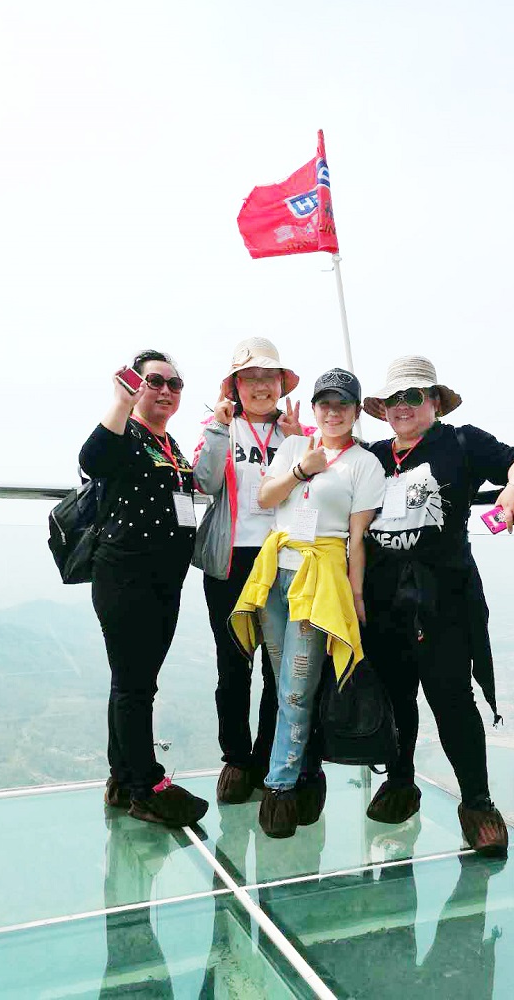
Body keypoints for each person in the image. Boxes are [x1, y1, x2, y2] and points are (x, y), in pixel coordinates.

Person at [361, 355, 514, 855]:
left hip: (444, 599)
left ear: (434, 402)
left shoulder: (460, 443)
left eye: (412, 396)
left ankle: (477, 803)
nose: (402, 406)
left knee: (452, 698)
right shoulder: (372, 456)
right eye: (393, 399)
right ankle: (400, 782)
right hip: (383, 600)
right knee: (395, 697)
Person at [230, 369, 386, 839]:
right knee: (286, 685)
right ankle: (304, 773)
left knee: (297, 689)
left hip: (320, 580)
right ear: (315, 408)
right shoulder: (295, 446)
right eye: (325, 404)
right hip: (274, 573)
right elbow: (265, 496)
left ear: (356, 411)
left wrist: (355, 596)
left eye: (343, 404)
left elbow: (357, 538)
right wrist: (303, 468)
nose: (333, 412)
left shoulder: (365, 464)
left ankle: (279, 789)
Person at [79, 350, 208, 828]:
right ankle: (147, 787)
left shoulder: (169, 443)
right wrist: (120, 402)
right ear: (136, 386)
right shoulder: (126, 433)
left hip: (163, 579)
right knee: (135, 685)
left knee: (134, 681)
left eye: (175, 384)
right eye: (155, 381)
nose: (166, 391)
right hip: (126, 575)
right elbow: (92, 460)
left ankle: (122, 777)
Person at [192, 337, 312, 804]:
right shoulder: (221, 428)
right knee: (233, 662)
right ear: (234, 386)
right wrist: (218, 429)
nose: (260, 387)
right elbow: (204, 483)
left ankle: (266, 755)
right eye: (250, 378)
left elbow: (317, 490)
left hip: (282, 559)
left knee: (278, 664)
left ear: (281, 384)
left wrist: (299, 440)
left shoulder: (296, 432)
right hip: (231, 561)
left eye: (269, 378)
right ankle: (237, 758)